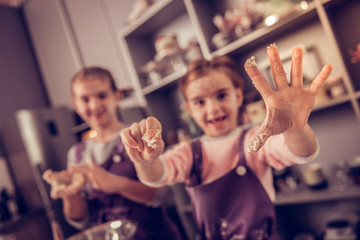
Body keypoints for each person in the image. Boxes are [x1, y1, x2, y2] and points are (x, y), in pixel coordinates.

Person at [120, 44, 333, 239]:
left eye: (221, 96)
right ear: (189, 110)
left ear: (238, 96)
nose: (213, 109)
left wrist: (296, 129)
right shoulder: (188, 153)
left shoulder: (256, 140)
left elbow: (302, 152)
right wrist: (146, 162)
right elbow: (157, 175)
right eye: (200, 102)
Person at [42, 66, 182, 240]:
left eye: (101, 96)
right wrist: (70, 193)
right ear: (76, 105)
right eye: (85, 99)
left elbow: (166, 196)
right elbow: (80, 220)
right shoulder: (76, 154)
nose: (94, 105)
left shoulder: (135, 137)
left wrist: (116, 184)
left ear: (116, 97)